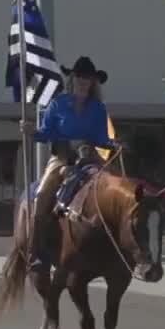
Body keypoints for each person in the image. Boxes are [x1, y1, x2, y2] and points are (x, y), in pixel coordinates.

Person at [20, 56, 121, 272]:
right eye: (80, 77)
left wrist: (114, 144)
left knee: (116, 186)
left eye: (88, 78)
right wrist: (32, 132)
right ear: (73, 78)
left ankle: (120, 247)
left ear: (93, 82)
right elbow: (46, 133)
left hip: (90, 155)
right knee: (43, 194)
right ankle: (34, 251)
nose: (84, 81)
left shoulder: (98, 108)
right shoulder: (58, 104)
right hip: (62, 156)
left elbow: (101, 138)